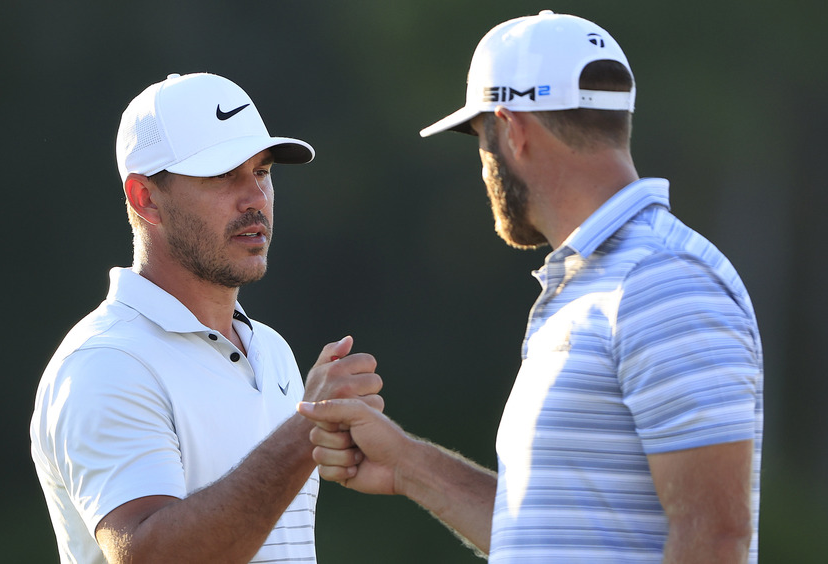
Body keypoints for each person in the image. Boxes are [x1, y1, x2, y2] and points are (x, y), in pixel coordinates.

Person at [298, 11, 763, 563]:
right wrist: (407, 465)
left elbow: (716, 539)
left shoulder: (661, 281)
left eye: (481, 140)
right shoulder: (590, 286)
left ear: (512, 130)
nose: (483, 164)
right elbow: (543, 536)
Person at [30, 72, 383, 564]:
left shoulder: (272, 351)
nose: (255, 199)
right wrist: (306, 430)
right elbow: (150, 555)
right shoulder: (106, 363)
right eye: (221, 175)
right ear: (145, 198)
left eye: (261, 172)